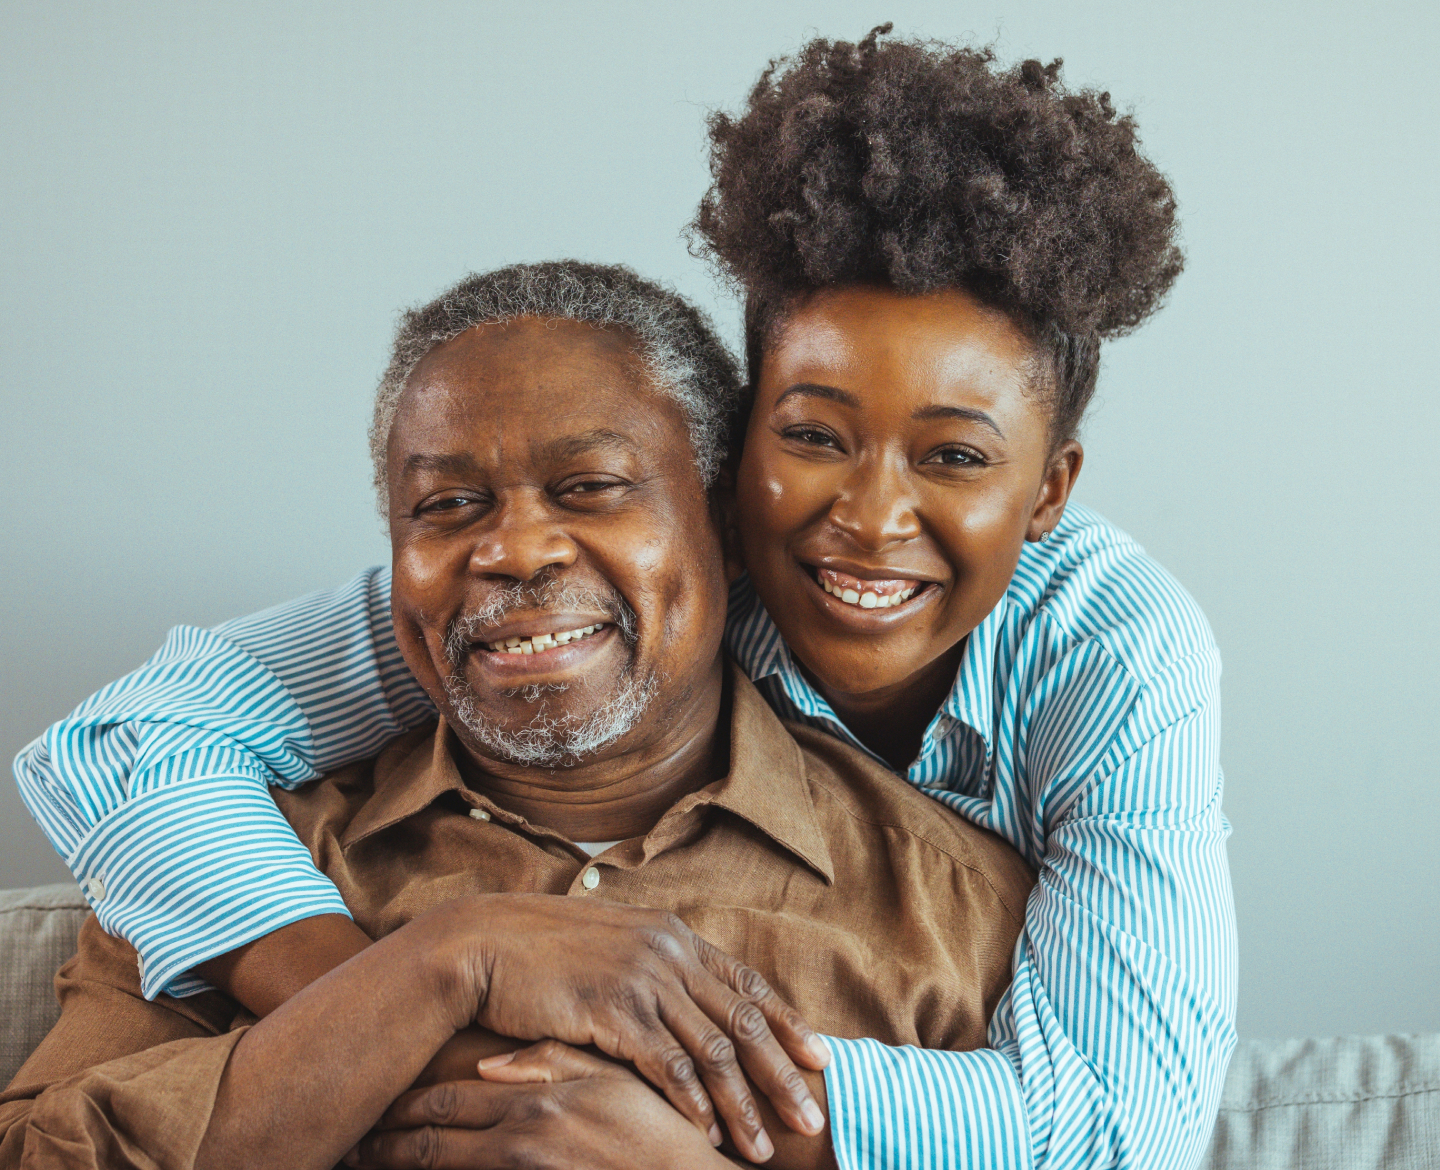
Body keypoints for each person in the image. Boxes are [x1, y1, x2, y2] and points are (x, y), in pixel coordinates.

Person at [13, 27, 1237, 1169]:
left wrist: (687, 1122)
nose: (865, 516)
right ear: (743, 476)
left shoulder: (1027, 814)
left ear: (1048, 490)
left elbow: (1112, 1125)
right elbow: (137, 740)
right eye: (814, 437)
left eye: (592, 486)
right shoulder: (255, 846)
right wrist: (437, 971)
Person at [0, 261, 1035, 1170]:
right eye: (446, 506)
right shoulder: (232, 864)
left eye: (590, 487)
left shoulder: (954, 912)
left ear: (725, 523)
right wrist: (444, 966)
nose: (515, 550)